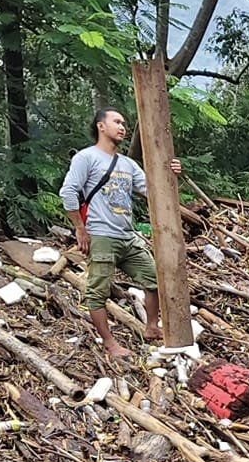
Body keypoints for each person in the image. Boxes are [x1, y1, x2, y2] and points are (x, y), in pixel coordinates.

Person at [59, 109, 180, 360]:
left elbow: (153, 192)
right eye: (116, 122)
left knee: (154, 279)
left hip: (127, 235)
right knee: (97, 292)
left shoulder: (127, 164)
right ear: (101, 126)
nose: (122, 127)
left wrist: (170, 174)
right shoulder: (86, 158)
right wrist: (80, 228)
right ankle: (110, 344)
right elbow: (68, 191)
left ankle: (151, 327)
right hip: (101, 235)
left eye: (124, 123)